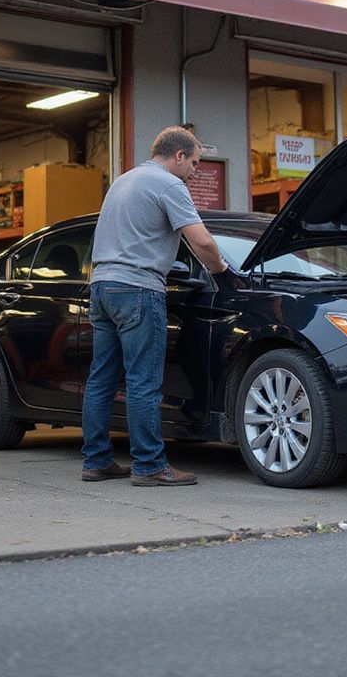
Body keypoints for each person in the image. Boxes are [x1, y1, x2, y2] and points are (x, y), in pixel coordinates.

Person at [81, 126, 246, 486]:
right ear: (179, 156)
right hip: (138, 289)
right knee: (143, 381)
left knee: (101, 380)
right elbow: (201, 242)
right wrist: (224, 272)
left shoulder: (123, 182)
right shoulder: (170, 185)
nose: (196, 172)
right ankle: (150, 466)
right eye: (195, 163)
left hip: (102, 286)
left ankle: (96, 461)